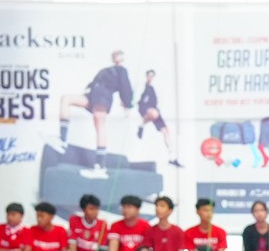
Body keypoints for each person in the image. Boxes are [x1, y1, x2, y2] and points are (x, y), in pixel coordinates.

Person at [57, 50, 134, 178]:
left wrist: (127, 104)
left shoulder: (122, 70)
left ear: (122, 57)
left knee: (99, 123)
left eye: (119, 55)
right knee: (66, 99)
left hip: (103, 96)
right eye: (114, 55)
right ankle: (62, 140)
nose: (116, 57)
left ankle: (100, 166)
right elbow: (94, 83)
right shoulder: (106, 70)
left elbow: (126, 87)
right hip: (92, 96)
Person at [135, 68, 182, 167]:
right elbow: (137, 98)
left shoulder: (154, 87)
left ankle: (172, 157)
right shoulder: (143, 86)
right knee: (154, 114)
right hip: (144, 107)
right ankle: (141, 125)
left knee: (166, 132)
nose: (150, 77)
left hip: (154, 109)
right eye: (149, 75)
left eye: (152, 76)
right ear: (146, 76)